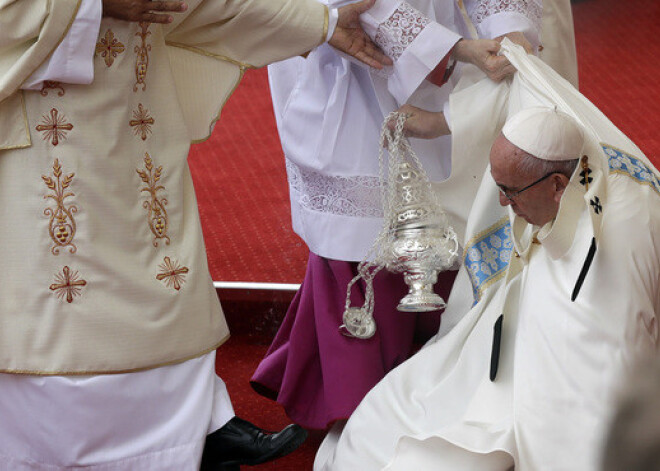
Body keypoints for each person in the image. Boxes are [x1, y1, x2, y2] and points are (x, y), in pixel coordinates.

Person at [0, 0, 390, 470]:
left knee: (165, 279)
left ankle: (201, 427)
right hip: (42, 137)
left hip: (133, 117)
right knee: (72, 314)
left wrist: (320, 23)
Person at [316, 49, 660, 470]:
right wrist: (436, 122)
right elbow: (519, 82)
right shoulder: (556, 139)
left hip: (569, 387)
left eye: (511, 193)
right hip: (513, 342)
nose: (500, 203)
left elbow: (613, 374)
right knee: (381, 425)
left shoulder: (619, 239)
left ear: (557, 186)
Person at [251, 0, 542, 438]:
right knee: (368, 229)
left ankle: (447, 387)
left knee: (463, 214)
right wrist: (453, 49)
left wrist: (509, 29)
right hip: (355, 62)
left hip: (458, 58)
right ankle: (359, 409)